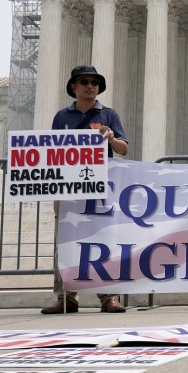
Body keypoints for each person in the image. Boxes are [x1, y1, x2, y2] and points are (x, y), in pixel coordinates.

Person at [41, 65, 130, 315]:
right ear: (74, 87)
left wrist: (111, 138)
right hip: (69, 189)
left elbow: (123, 149)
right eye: (83, 81)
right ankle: (66, 296)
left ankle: (109, 296)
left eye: (94, 81)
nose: (90, 85)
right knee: (65, 242)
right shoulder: (62, 117)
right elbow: (52, 151)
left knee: (105, 240)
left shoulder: (109, 114)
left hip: (100, 187)